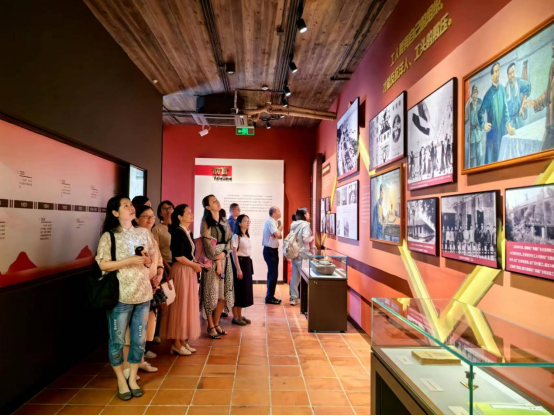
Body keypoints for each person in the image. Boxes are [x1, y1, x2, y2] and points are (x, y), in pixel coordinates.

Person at [95, 196, 157, 401]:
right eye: (126, 206)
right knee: (117, 341)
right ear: (115, 213)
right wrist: (128, 260)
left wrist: (146, 260)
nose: (131, 208)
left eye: (131, 205)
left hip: (143, 294)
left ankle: (132, 378)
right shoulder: (109, 236)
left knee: (139, 340)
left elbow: (150, 260)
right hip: (120, 296)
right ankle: (121, 379)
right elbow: (103, 265)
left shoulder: (143, 233)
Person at [162, 204, 202, 356]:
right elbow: (178, 256)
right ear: (179, 216)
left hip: (188, 270)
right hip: (181, 271)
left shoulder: (187, 231)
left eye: (191, 212)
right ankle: (176, 343)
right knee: (180, 305)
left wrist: (196, 263)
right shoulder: (177, 232)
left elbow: (188, 255)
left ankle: (183, 340)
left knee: (187, 305)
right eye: (188, 213)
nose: (191, 215)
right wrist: (193, 265)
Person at [134, 205, 164, 372]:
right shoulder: (133, 237)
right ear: (136, 218)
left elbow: (159, 262)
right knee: (138, 326)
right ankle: (136, 361)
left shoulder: (151, 237)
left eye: (152, 216)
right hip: (140, 286)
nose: (150, 219)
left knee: (149, 323)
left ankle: (141, 358)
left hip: (153, 286)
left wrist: (159, 276)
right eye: (146, 216)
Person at [200, 195, 235, 339]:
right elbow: (207, 244)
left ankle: (216, 323)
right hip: (212, 261)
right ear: (208, 207)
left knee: (224, 294)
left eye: (216, 200)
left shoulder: (224, 220)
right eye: (213, 201)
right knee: (211, 293)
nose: (217, 202)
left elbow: (230, 239)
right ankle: (210, 325)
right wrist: (218, 259)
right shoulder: (205, 222)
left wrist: (225, 253)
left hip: (225, 259)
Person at [478, 62, 516, 165]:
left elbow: (506, 111)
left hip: (502, 132)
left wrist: (509, 127)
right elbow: (480, 113)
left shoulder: (503, 90)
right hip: (492, 135)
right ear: (492, 75)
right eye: (495, 71)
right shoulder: (488, 95)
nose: (498, 73)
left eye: (499, 71)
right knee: (492, 162)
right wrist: (483, 124)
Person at [524, 42, 554, 152]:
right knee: (543, 155)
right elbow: (548, 93)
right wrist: (534, 103)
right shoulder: (553, 66)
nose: (552, 46)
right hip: (551, 125)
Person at [231, 214, 254, 325]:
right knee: (238, 290)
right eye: (245, 221)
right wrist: (238, 269)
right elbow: (234, 253)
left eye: (249, 221)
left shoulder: (246, 236)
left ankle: (240, 316)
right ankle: (235, 317)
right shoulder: (236, 236)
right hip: (239, 263)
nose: (248, 223)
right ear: (239, 223)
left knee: (244, 290)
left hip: (247, 262)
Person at [289, 208, 315, 306]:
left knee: (294, 277)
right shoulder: (306, 225)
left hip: (294, 252)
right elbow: (305, 239)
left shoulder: (293, 224)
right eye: (308, 213)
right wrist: (312, 237)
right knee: (305, 277)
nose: (309, 215)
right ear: (304, 214)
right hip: (303, 254)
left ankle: (294, 298)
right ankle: (305, 299)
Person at [263, 207, 283, 305]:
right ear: (273, 214)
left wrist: (277, 233)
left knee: (272, 274)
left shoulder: (273, 222)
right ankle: (269, 297)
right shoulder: (271, 222)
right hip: (270, 251)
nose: (280, 212)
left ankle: (270, 295)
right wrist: (279, 228)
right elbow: (278, 235)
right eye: (278, 211)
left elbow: (279, 236)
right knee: (273, 274)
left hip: (272, 251)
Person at [506, 63, 532, 129]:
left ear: (515, 72)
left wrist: (521, 107)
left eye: (513, 72)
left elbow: (528, 87)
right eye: (510, 74)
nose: (512, 75)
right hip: (510, 122)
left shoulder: (518, 82)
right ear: (507, 75)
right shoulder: (506, 88)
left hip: (519, 118)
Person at [153, 201, 175, 272]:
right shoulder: (157, 229)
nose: (168, 210)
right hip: (166, 263)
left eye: (170, 208)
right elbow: (157, 250)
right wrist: (167, 267)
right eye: (164, 209)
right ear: (160, 213)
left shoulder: (179, 227)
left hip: (181, 263)